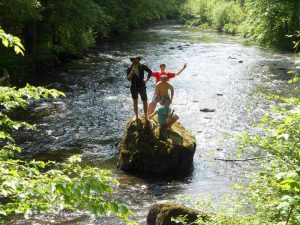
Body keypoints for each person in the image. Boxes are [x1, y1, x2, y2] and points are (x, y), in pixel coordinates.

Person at [127, 56, 152, 121]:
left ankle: (146, 116)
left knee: (144, 100)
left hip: (142, 86)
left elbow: (150, 72)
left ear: (138, 60)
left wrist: (146, 80)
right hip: (133, 86)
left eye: (136, 59)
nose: (135, 60)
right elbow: (128, 79)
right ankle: (137, 116)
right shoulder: (129, 68)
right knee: (135, 101)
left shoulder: (142, 66)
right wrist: (132, 71)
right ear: (132, 61)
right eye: (134, 59)